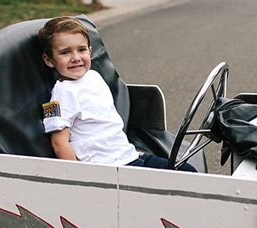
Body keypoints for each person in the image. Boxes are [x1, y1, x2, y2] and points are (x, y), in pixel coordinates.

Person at [38, 17, 196, 172]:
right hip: (108, 168)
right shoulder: (63, 92)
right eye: (65, 52)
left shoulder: (93, 76)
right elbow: (59, 143)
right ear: (49, 60)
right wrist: (80, 178)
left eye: (82, 49)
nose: (76, 58)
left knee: (188, 171)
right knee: (183, 182)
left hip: (128, 156)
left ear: (90, 51)